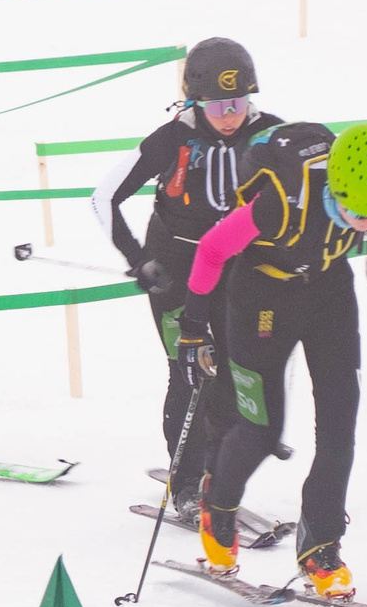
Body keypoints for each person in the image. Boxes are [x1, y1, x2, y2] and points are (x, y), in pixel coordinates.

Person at [181, 121, 367, 599]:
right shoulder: (281, 203)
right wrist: (193, 327)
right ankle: (218, 503)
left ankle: (321, 543)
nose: (366, 223)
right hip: (262, 296)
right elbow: (213, 249)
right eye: (357, 214)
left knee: (340, 426)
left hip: (327, 291)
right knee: (260, 429)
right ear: (336, 187)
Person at [90, 37, 284, 515]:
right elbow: (104, 196)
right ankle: (187, 483)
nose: (229, 116)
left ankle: (221, 469)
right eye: (217, 106)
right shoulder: (173, 138)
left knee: (235, 371)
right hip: (174, 270)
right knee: (191, 372)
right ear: (197, 101)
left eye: (238, 103)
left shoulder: (270, 135)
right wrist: (137, 259)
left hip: (234, 270)